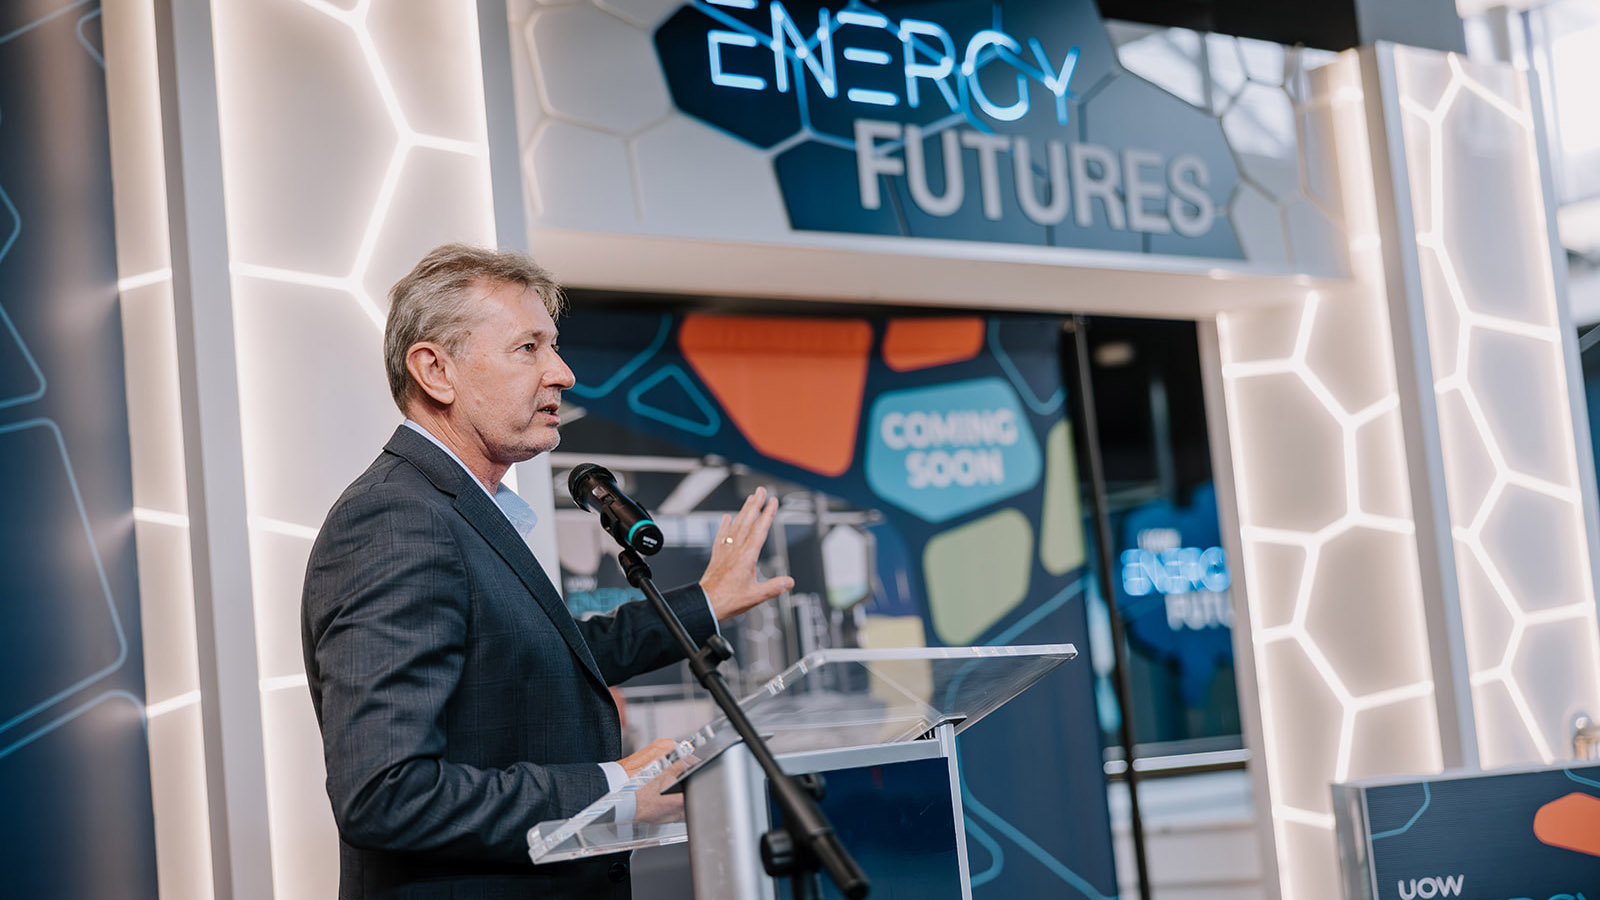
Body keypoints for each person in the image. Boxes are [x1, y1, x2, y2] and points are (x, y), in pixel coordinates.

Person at [301, 243, 793, 899]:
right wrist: (612, 789)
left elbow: (540, 658)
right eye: (528, 348)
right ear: (435, 370)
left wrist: (703, 601)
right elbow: (385, 793)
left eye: (553, 347)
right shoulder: (395, 520)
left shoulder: (454, 511)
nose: (563, 373)